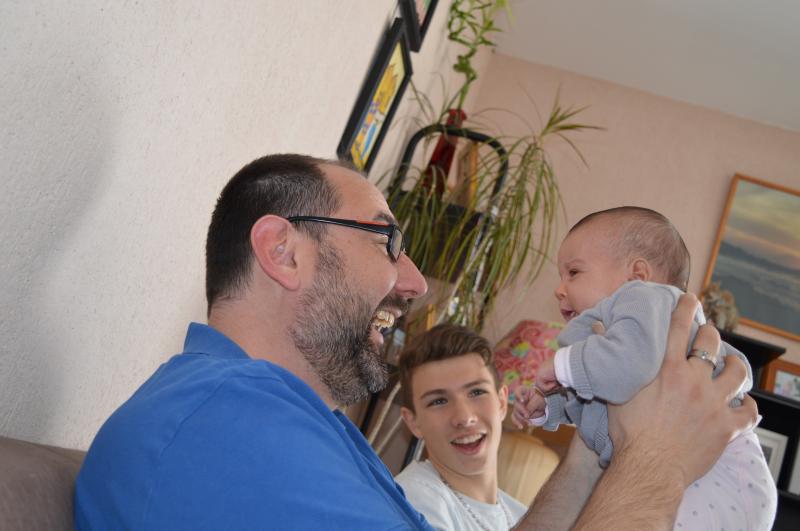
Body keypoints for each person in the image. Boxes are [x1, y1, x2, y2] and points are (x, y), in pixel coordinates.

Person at [73, 155, 757, 530]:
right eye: (386, 239)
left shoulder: (297, 427)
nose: (415, 280)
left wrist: (595, 441)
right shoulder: (226, 421)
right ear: (284, 252)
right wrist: (659, 462)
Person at [512, 206, 776, 530]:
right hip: (696, 479)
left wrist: (560, 366)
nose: (559, 288)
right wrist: (548, 406)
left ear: (637, 276)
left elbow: (627, 367)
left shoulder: (646, 299)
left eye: (574, 272)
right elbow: (592, 402)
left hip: (724, 474)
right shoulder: (606, 347)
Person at [394, 324, 528, 530]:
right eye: (438, 401)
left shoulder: (521, 515)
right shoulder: (413, 501)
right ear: (413, 422)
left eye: (476, 392)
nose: (464, 418)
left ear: (501, 403)